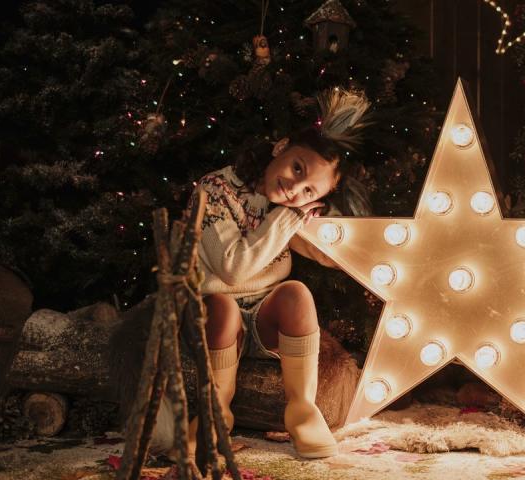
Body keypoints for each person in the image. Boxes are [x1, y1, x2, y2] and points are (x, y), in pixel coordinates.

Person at [153, 88, 371, 459]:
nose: (293, 187)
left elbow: (329, 256)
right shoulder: (215, 190)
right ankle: (213, 414)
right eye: (297, 168)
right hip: (211, 315)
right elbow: (233, 268)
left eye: (307, 190)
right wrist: (290, 216)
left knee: (297, 294)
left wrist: (338, 235)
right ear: (281, 147)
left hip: (262, 319)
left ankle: (302, 411)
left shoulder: (292, 208)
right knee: (222, 305)